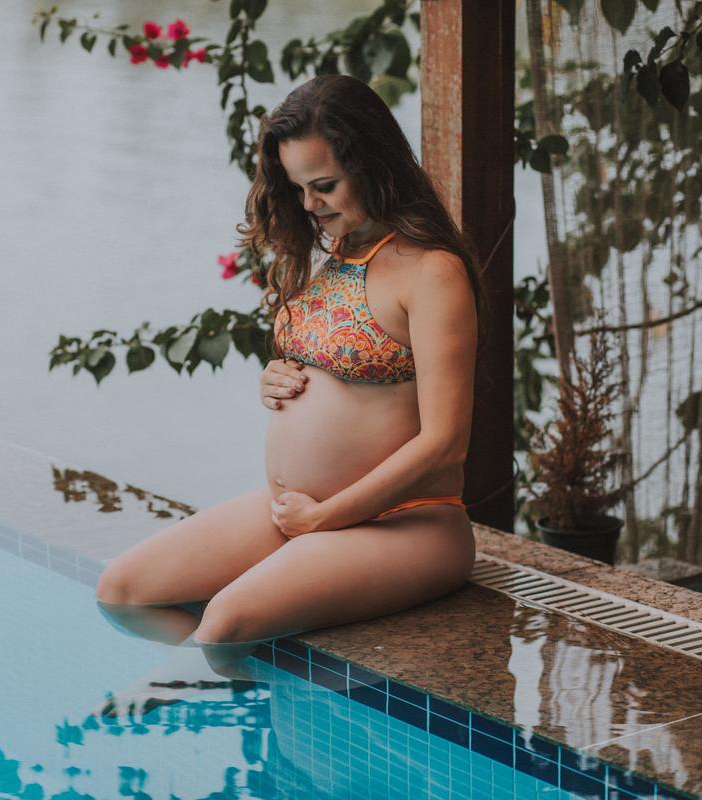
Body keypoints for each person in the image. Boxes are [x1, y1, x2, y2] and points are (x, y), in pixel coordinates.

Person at [95, 74, 486, 658]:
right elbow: (338, 369)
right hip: (298, 511)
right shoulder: (341, 252)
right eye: (299, 187)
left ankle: (247, 691)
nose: (309, 204)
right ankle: (252, 693)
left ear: (374, 166)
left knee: (224, 624)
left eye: (324, 186)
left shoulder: (432, 272)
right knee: (123, 593)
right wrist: (277, 377)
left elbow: (445, 444)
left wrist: (324, 517)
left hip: (407, 522)